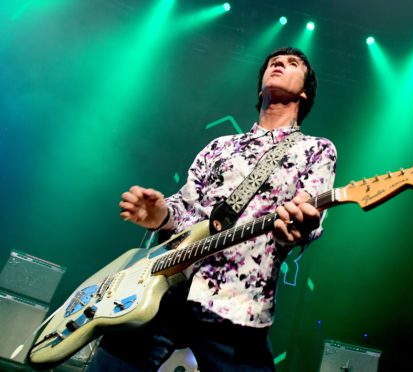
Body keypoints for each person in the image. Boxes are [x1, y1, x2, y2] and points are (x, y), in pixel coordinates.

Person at [87, 47, 337, 372]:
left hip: (237, 303)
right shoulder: (219, 146)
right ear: (260, 88)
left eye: (292, 64)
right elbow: (185, 208)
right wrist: (160, 215)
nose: (278, 64)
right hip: (165, 289)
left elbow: (310, 216)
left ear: (304, 92)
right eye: (274, 62)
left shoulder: (316, 149)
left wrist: (299, 226)